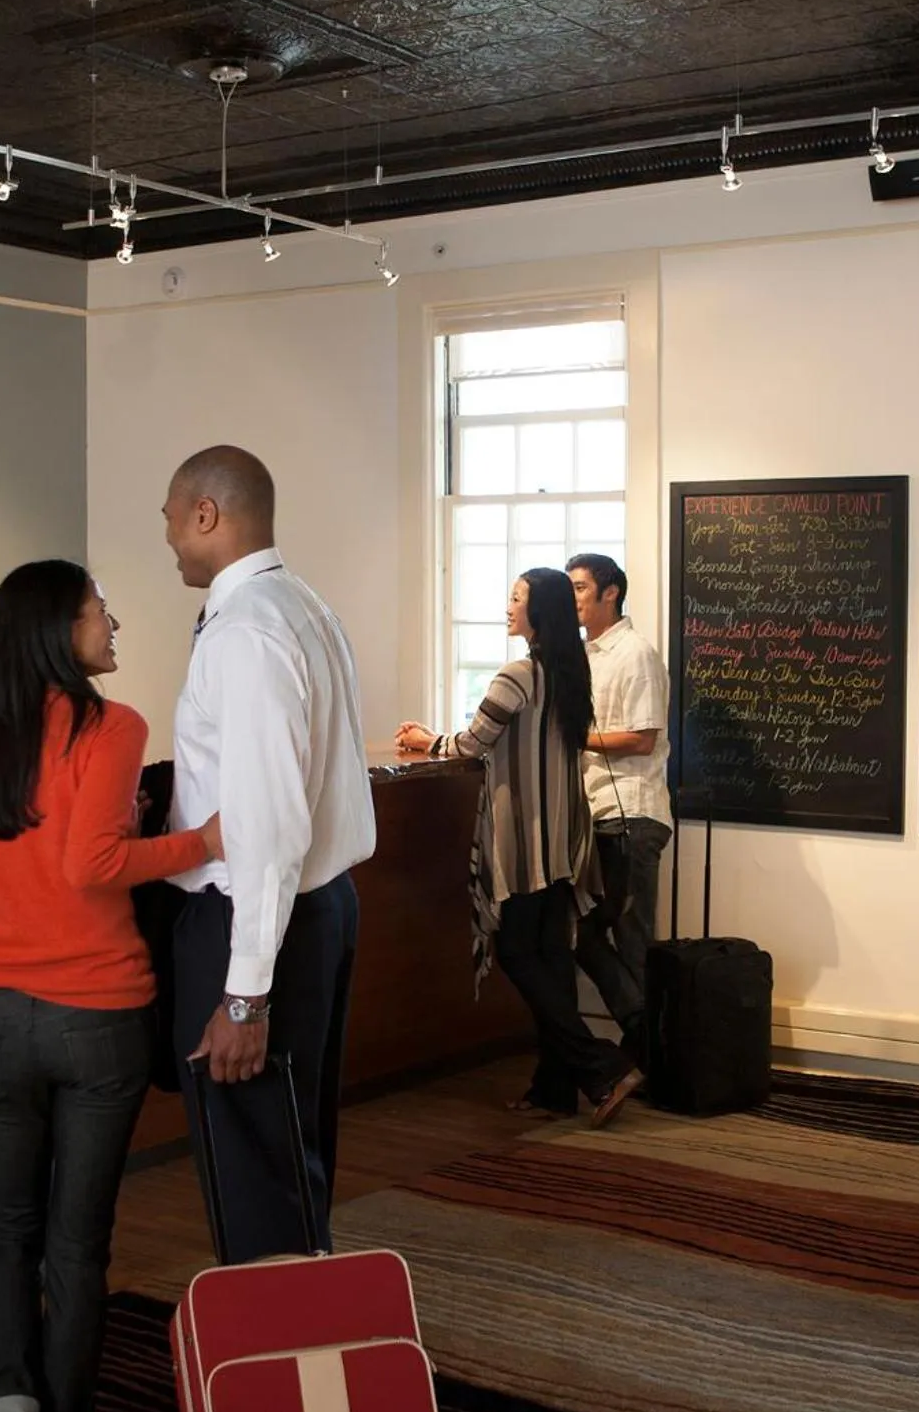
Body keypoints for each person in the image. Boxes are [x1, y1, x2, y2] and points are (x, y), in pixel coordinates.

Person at [0, 560, 220, 1412]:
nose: (114, 623)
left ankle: (5, 1398)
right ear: (60, 631)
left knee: (9, 1229)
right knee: (76, 1241)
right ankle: (64, 1404)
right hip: (98, 1015)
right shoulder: (112, 726)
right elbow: (93, 865)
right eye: (100, 611)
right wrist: (201, 839)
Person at [161, 446, 377, 1263]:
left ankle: (283, 1366)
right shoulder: (303, 606)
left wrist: (245, 994)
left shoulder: (247, 630)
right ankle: (308, 1337)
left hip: (257, 921)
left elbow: (268, 821)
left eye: (172, 520)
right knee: (290, 1148)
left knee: (254, 1163)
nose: (171, 540)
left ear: (207, 515)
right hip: (315, 907)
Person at [396, 568, 645, 1128]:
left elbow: (470, 743)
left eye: (516, 599)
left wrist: (422, 739)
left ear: (540, 612)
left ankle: (600, 1067)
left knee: (513, 953)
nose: (507, 607)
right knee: (552, 961)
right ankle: (555, 1088)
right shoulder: (568, 673)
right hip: (559, 846)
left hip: (522, 846)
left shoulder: (517, 675)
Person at [566, 552, 672, 1066]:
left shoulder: (635, 654)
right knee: (582, 932)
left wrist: (571, 738)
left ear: (611, 593)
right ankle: (644, 1047)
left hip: (630, 813)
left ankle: (651, 1056)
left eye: (581, 589)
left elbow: (642, 738)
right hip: (597, 817)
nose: (573, 600)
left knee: (630, 940)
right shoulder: (584, 655)